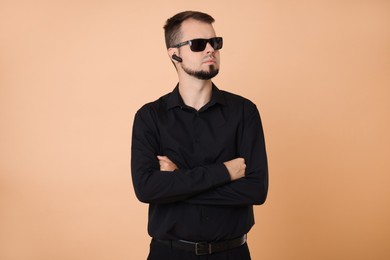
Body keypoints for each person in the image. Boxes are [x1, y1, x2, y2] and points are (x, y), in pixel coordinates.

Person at [131, 10, 268, 260]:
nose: (210, 50)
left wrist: (177, 181)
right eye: (198, 44)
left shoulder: (244, 112)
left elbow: (256, 190)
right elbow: (147, 189)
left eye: (215, 42)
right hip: (169, 254)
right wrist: (226, 172)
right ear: (174, 54)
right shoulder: (149, 117)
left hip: (232, 253)